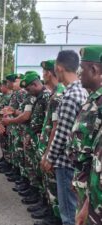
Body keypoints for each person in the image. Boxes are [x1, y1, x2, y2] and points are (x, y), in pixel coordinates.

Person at [43, 50, 88, 225]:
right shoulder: (83, 91)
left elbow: (62, 133)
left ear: (59, 68)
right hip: (76, 162)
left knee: (68, 213)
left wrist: (49, 158)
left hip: (65, 162)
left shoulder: (70, 96)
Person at [64, 46, 102, 225]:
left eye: (82, 69)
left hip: (95, 200)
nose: (79, 74)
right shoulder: (93, 98)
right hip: (86, 185)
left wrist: (88, 203)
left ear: (94, 70)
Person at [34, 60, 65, 225]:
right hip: (47, 146)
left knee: (54, 186)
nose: (43, 74)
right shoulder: (54, 94)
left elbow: (56, 128)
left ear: (50, 73)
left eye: (45, 72)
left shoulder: (59, 95)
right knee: (49, 184)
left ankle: (55, 218)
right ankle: (49, 211)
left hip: (53, 150)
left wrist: (48, 154)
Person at [0, 80, 12, 164]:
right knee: (2, 141)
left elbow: (7, 110)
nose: (0, 88)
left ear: (5, 86)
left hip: (5, 122)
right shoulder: (4, 96)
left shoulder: (9, 97)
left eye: (1, 86)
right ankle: (4, 157)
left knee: (6, 142)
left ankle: (7, 160)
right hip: (0, 121)